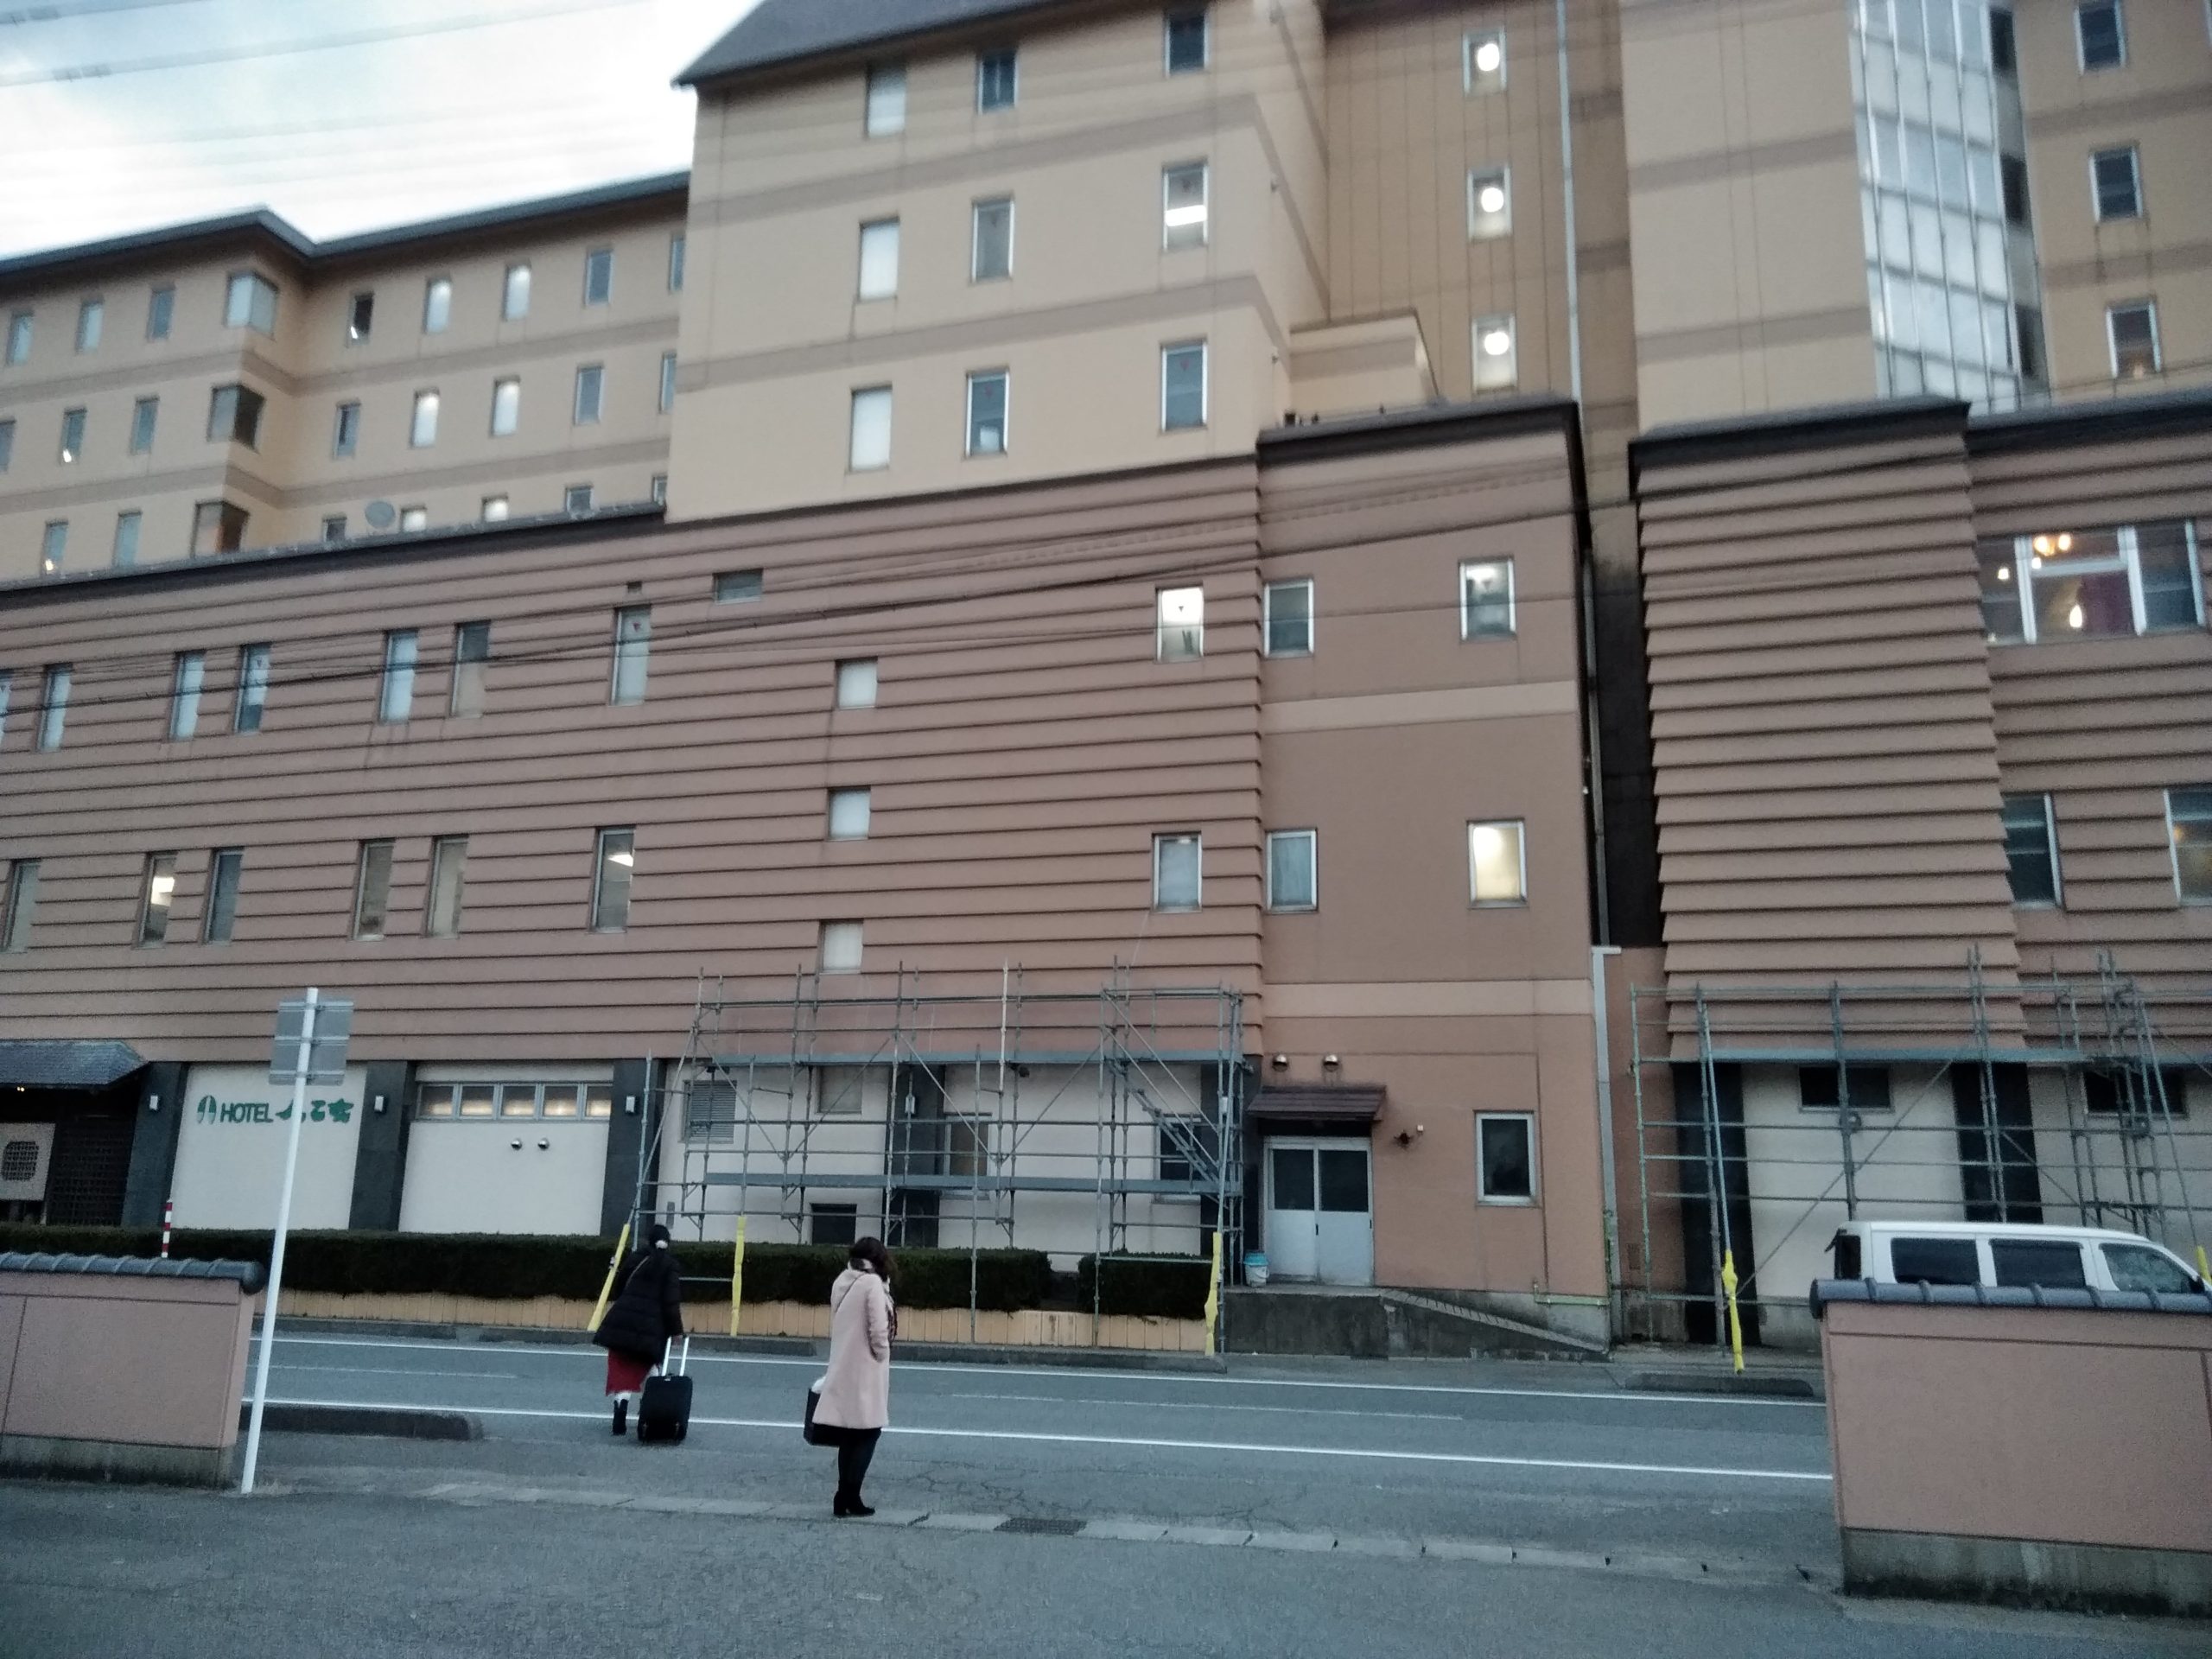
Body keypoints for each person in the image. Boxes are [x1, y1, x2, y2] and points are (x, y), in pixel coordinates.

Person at [813, 1236, 893, 1516]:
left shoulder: (842, 1280)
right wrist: (882, 1354)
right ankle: (851, 1495)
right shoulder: (871, 1283)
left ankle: (842, 1496)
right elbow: (878, 1328)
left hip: (844, 1363)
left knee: (849, 1435)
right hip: (865, 1368)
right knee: (869, 1432)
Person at [593, 1223, 684, 1435]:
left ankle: (620, 1407)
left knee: (623, 1369)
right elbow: (671, 1302)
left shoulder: (636, 1258)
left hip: (623, 1320)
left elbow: (619, 1287)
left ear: (648, 1241)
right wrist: (676, 1331)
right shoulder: (670, 1265)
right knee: (650, 1365)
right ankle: (653, 1413)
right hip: (651, 1326)